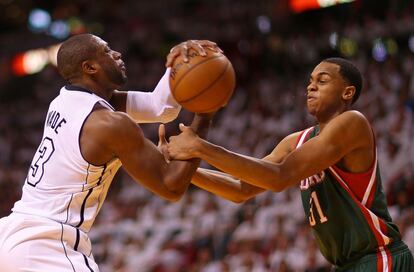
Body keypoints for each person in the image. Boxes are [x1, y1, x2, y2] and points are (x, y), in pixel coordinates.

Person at [166, 58, 414, 271]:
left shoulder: (353, 123)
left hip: (379, 258)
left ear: (347, 93)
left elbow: (279, 177)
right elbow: (240, 189)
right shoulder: (296, 141)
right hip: (345, 265)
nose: (311, 86)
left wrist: (199, 147)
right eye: (310, 80)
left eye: (322, 80)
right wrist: (185, 169)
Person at [0, 33, 219, 271]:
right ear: (90, 67)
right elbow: (171, 186)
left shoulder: (66, 100)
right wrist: (205, 114)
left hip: (14, 231)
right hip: (47, 242)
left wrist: (176, 63)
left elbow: (161, 108)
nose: (117, 54)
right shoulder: (108, 124)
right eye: (106, 50)